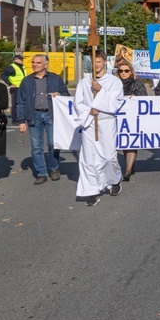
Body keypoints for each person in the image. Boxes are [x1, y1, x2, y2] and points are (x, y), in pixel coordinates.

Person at [73, 51, 124, 206]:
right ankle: (92, 191)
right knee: (89, 158)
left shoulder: (114, 81)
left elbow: (117, 101)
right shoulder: (84, 82)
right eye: (93, 62)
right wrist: (90, 110)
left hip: (106, 122)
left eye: (99, 62)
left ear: (104, 62)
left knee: (108, 157)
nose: (96, 65)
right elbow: (78, 103)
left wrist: (100, 91)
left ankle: (114, 180)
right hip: (89, 123)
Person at [16, 54, 69, 184]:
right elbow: (20, 101)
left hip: (51, 115)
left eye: (38, 63)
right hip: (34, 116)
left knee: (52, 144)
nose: (35, 65)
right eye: (33, 62)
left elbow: (66, 95)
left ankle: (54, 168)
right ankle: (41, 173)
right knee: (36, 146)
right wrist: (21, 121)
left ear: (46, 64)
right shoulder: (27, 81)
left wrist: (60, 95)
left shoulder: (56, 79)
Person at [117, 63, 147, 181]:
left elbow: (145, 98)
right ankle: (130, 164)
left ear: (131, 72)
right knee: (124, 142)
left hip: (133, 117)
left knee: (131, 142)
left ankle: (128, 170)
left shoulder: (137, 83)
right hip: (119, 118)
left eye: (126, 71)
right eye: (121, 71)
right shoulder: (114, 84)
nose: (123, 73)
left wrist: (136, 98)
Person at [0, 54, 26, 123]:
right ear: (16, 59)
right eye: (20, 59)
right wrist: (10, 84)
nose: (22, 60)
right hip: (16, 88)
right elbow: (3, 75)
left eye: (22, 59)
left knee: (22, 103)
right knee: (15, 104)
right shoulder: (12, 67)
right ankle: (15, 119)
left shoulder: (22, 66)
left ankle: (21, 117)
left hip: (22, 88)